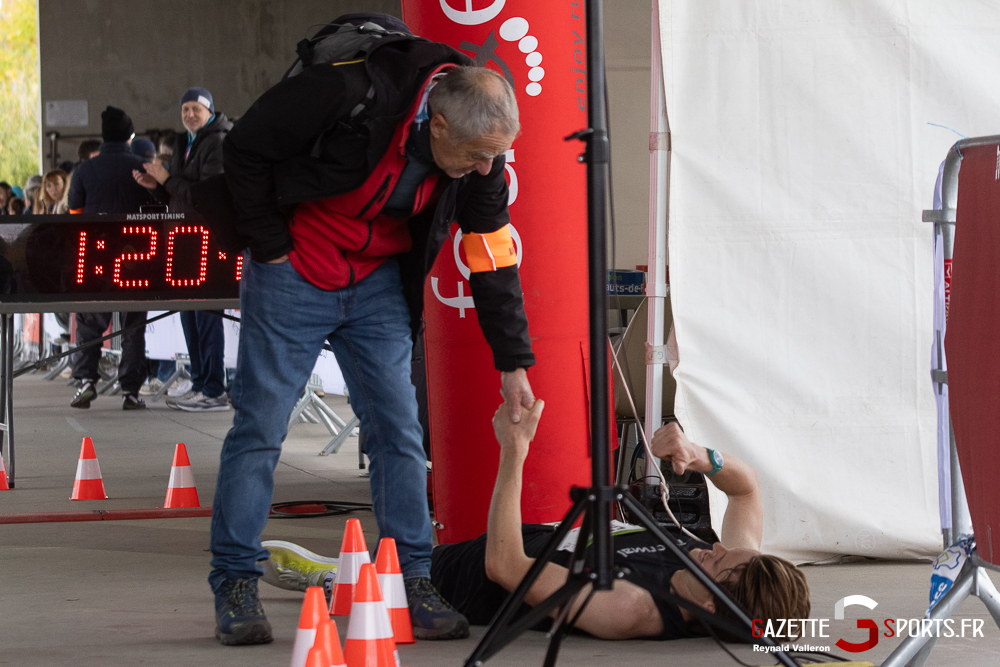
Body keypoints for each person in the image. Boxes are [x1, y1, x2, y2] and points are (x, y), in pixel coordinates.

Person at [205, 14, 535, 647]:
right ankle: (236, 583)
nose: (485, 168)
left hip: (377, 280)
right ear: (438, 123)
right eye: (475, 155)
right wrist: (271, 246)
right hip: (295, 267)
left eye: (495, 155)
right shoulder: (347, 91)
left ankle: (412, 578)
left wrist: (512, 361)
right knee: (260, 430)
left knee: (399, 432)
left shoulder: (480, 156)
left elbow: (492, 252)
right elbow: (244, 148)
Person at [262, 406, 811, 642]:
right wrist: (701, 456)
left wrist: (514, 452)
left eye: (720, 563)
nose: (714, 548)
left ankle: (337, 580)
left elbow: (506, 567)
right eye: (731, 550)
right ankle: (349, 572)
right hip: (539, 537)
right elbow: (747, 489)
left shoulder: (632, 608)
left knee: (383, 575)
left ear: (714, 604)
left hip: (462, 581)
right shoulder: (732, 570)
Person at [133, 87, 233, 412]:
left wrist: (167, 179)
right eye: (185, 109)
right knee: (189, 316)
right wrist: (157, 187)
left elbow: (206, 194)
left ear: (210, 112)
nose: (190, 114)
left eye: (196, 109)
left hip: (206, 240)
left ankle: (214, 389)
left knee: (206, 317)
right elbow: (176, 195)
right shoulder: (184, 143)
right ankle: (201, 383)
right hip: (183, 240)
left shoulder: (217, 143)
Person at [66, 106, 157, 410]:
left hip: (96, 256)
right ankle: (130, 392)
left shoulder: (84, 171)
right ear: (130, 136)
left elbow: (74, 215)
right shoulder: (143, 167)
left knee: (90, 322)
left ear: (103, 137)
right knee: (133, 326)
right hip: (136, 257)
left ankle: (85, 382)